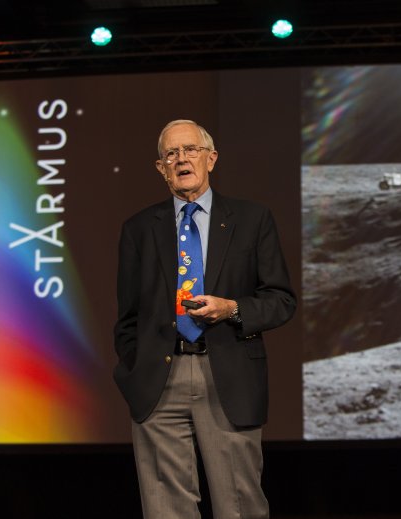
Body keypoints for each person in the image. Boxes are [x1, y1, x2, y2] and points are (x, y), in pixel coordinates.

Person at [113, 119, 296, 519]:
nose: (182, 159)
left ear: (210, 159)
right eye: (171, 153)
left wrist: (231, 309)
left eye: (191, 150)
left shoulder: (252, 219)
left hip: (227, 372)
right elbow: (127, 318)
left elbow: (281, 300)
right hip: (159, 381)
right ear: (161, 168)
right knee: (166, 510)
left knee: (240, 507)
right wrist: (136, 371)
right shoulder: (139, 229)